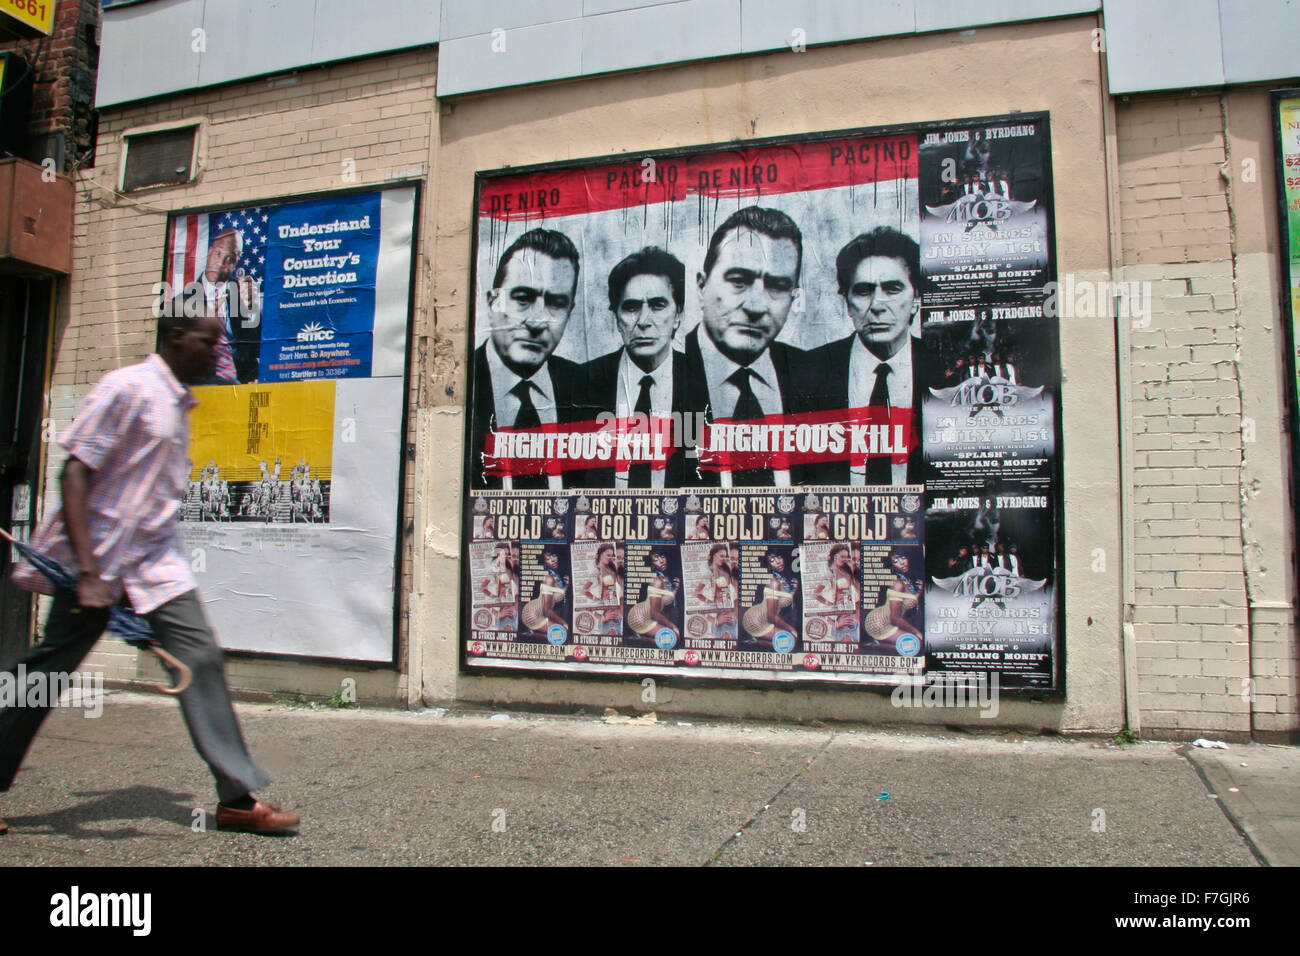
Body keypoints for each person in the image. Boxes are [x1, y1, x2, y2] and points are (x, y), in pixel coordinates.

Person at [1, 312, 298, 836]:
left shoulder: (180, 404)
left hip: (156, 566)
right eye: (209, 342)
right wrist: (89, 572)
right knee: (44, 674)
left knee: (199, 658)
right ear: (176, 337)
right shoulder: (127, 387)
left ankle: (236, 799)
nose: (217, 352)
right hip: (97, 563)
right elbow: (75, 472)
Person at [682, 206, 809, 487]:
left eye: (777, 286)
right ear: (702, 287)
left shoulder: (813, 374)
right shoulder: (664, 374)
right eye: (739, 281)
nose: (756, 306)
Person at [800, 227, 929, 486]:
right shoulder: (808, 370)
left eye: (892, 289)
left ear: (916, 298)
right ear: (847, 303)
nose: (877, 305)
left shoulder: (943, 368)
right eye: (863, 291)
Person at [470, 229, 585, 490]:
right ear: (493, 303)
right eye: (523, 298)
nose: (536, 321)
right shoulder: (462, 382)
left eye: (556, 303)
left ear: (569, 312)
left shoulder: (586, 386)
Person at [578, 247, 690, 488]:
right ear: (616, 318)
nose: (643, 321)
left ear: (678, 315)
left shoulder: (701, 378)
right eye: (631, 307)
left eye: (658, 305)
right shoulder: (582, 381)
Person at [170, 228, 262, 385]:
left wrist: (252, 311)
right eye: (218, 254)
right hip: (203, 387)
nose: (220, 263)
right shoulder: (180, 304)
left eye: (229, 259)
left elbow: (258, 350)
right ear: (210, 252)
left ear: (236, 262)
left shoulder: (244, 292)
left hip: (244, 387)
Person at [741, 547, 799, 649]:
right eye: (772, 560)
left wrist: (794, 590)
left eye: (779, 557)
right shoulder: (773, 582)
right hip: (756, 620)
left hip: (767, 618)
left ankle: (754, 640)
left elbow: (783, 601)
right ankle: (755, 641)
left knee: (790, 640)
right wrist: (791, 629)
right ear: (769, 565)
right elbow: (771, 616)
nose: (778, 562)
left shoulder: (782, 578)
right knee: (791, 640)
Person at [863, 552, 923, 651]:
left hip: (892, 621)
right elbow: (895, 618)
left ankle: (877, 643)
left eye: (903, 557)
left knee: (916, 643)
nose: (902, 563)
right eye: (896, 561)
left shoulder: (907, 579)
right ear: (892, 566)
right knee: (916, 644)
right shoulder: (897, 583)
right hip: (879, 623)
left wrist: (919, 591)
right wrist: (916, 632)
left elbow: (911, 603)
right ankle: (875, 645)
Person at [626, 547, 680, 644]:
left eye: (662, 557)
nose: (661, 561)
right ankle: (637, 638)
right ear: (652, 565)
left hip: (650, 616)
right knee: (673, 637)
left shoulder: (665, 577)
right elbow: (654, 612)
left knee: (672, 637)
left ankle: (639, 636)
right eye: (656, 560)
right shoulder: (656, 581)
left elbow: (666, 600)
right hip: (639, 617)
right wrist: (673, 626)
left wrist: (675, 589)